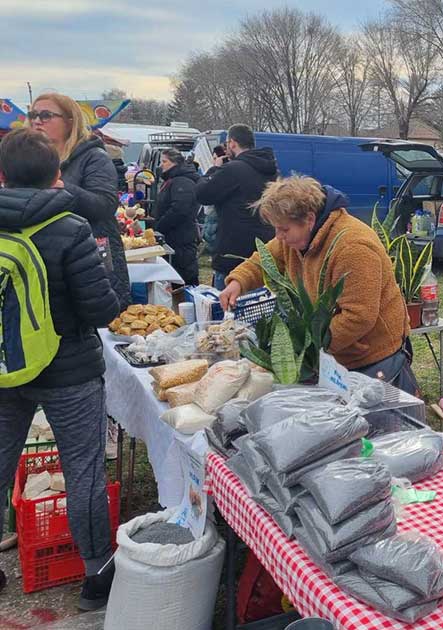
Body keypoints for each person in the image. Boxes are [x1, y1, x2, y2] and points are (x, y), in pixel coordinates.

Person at [0, 129, 120, 606]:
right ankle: (95, 577)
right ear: (57, 176)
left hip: (6, 368)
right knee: (83, 469)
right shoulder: (70, 228)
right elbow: (101, 311)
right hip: (70, 369)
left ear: (3, 175)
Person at [219, 176, 418, 394]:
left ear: (310, 219)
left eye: (283, 230)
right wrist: (239, 281)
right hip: (335, 356)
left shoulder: (353, 247)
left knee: (379, 423)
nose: (279, 236)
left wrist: (309, 348)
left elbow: (358, 316)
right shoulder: (296, 236)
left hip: (373, 357)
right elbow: (266, 257)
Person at [30, 93, 130, 309]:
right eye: (33, 115)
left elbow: (104, 205)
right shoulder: (36, 159)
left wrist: (62, 188)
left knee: (97, 326)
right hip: (49, 256)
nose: (37, 121)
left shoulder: (94, 157)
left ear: (70, 121)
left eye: (46, 115)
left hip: (92, 255)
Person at [195, 125, 276, 289]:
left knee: (226, 312)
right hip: (263, 253)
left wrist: (214, 168)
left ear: (232, 143)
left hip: (233, 256)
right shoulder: (270, 169)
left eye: (227, 144)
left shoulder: (233, 169)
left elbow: (202, 194)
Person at [154, 148, 200, 286]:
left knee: (183, 276)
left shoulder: (182, 181)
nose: (161, 165)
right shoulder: (172, 180)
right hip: (174, 237)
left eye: (164, 161)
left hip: (181, 239)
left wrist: (159, 227)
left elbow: (180, 209)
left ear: (174, 163)